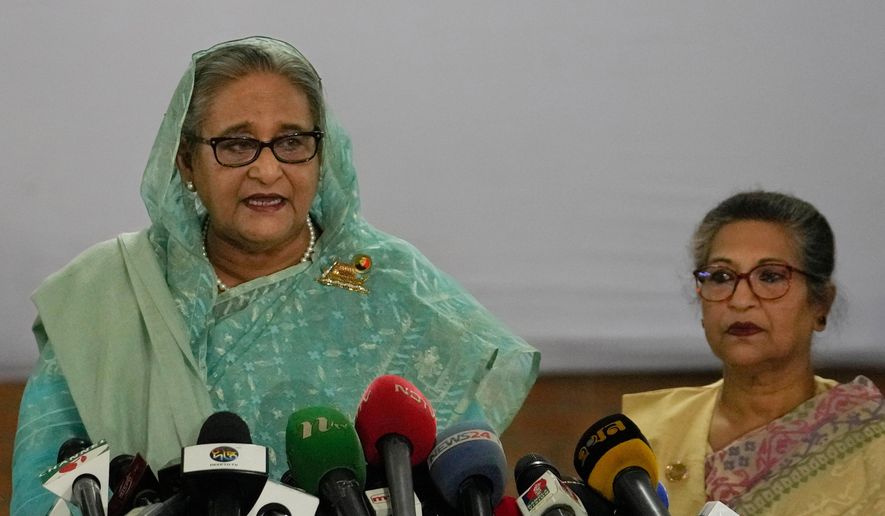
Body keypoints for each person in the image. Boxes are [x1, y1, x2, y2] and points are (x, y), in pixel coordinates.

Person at [11, 36, 540, 514]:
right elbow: (44, 493)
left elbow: (459, 474)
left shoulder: (394, 288)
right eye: (237, 144)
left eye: (291, 142)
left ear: (321, 153)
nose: (267, 170)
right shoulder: (105, 294)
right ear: (186, 162)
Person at [622, 190, 885, 515]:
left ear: (821, 304)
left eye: (771, 276)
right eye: (721, 276)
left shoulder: (872, 445)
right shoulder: (643, 436)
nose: (740, 299)